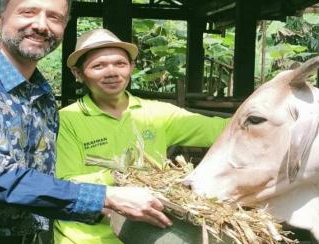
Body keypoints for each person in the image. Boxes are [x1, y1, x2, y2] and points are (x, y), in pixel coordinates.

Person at [0, 0, 170, 244]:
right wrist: (106, 196)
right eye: (28, 12)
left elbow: (40, 179)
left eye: (54, 17)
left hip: (24, 234)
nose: (41, 25)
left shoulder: (42, 94)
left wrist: (106, 206)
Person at [55, 28, 229, 244]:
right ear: (78, 74)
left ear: (131, 67)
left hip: (149, 235)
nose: (111, 72)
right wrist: (127, 176)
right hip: (87, 238)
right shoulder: (66, 120)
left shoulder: (156, 114)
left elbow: (222, 130)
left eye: (120, 64)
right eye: (98, 66)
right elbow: (64, 184)